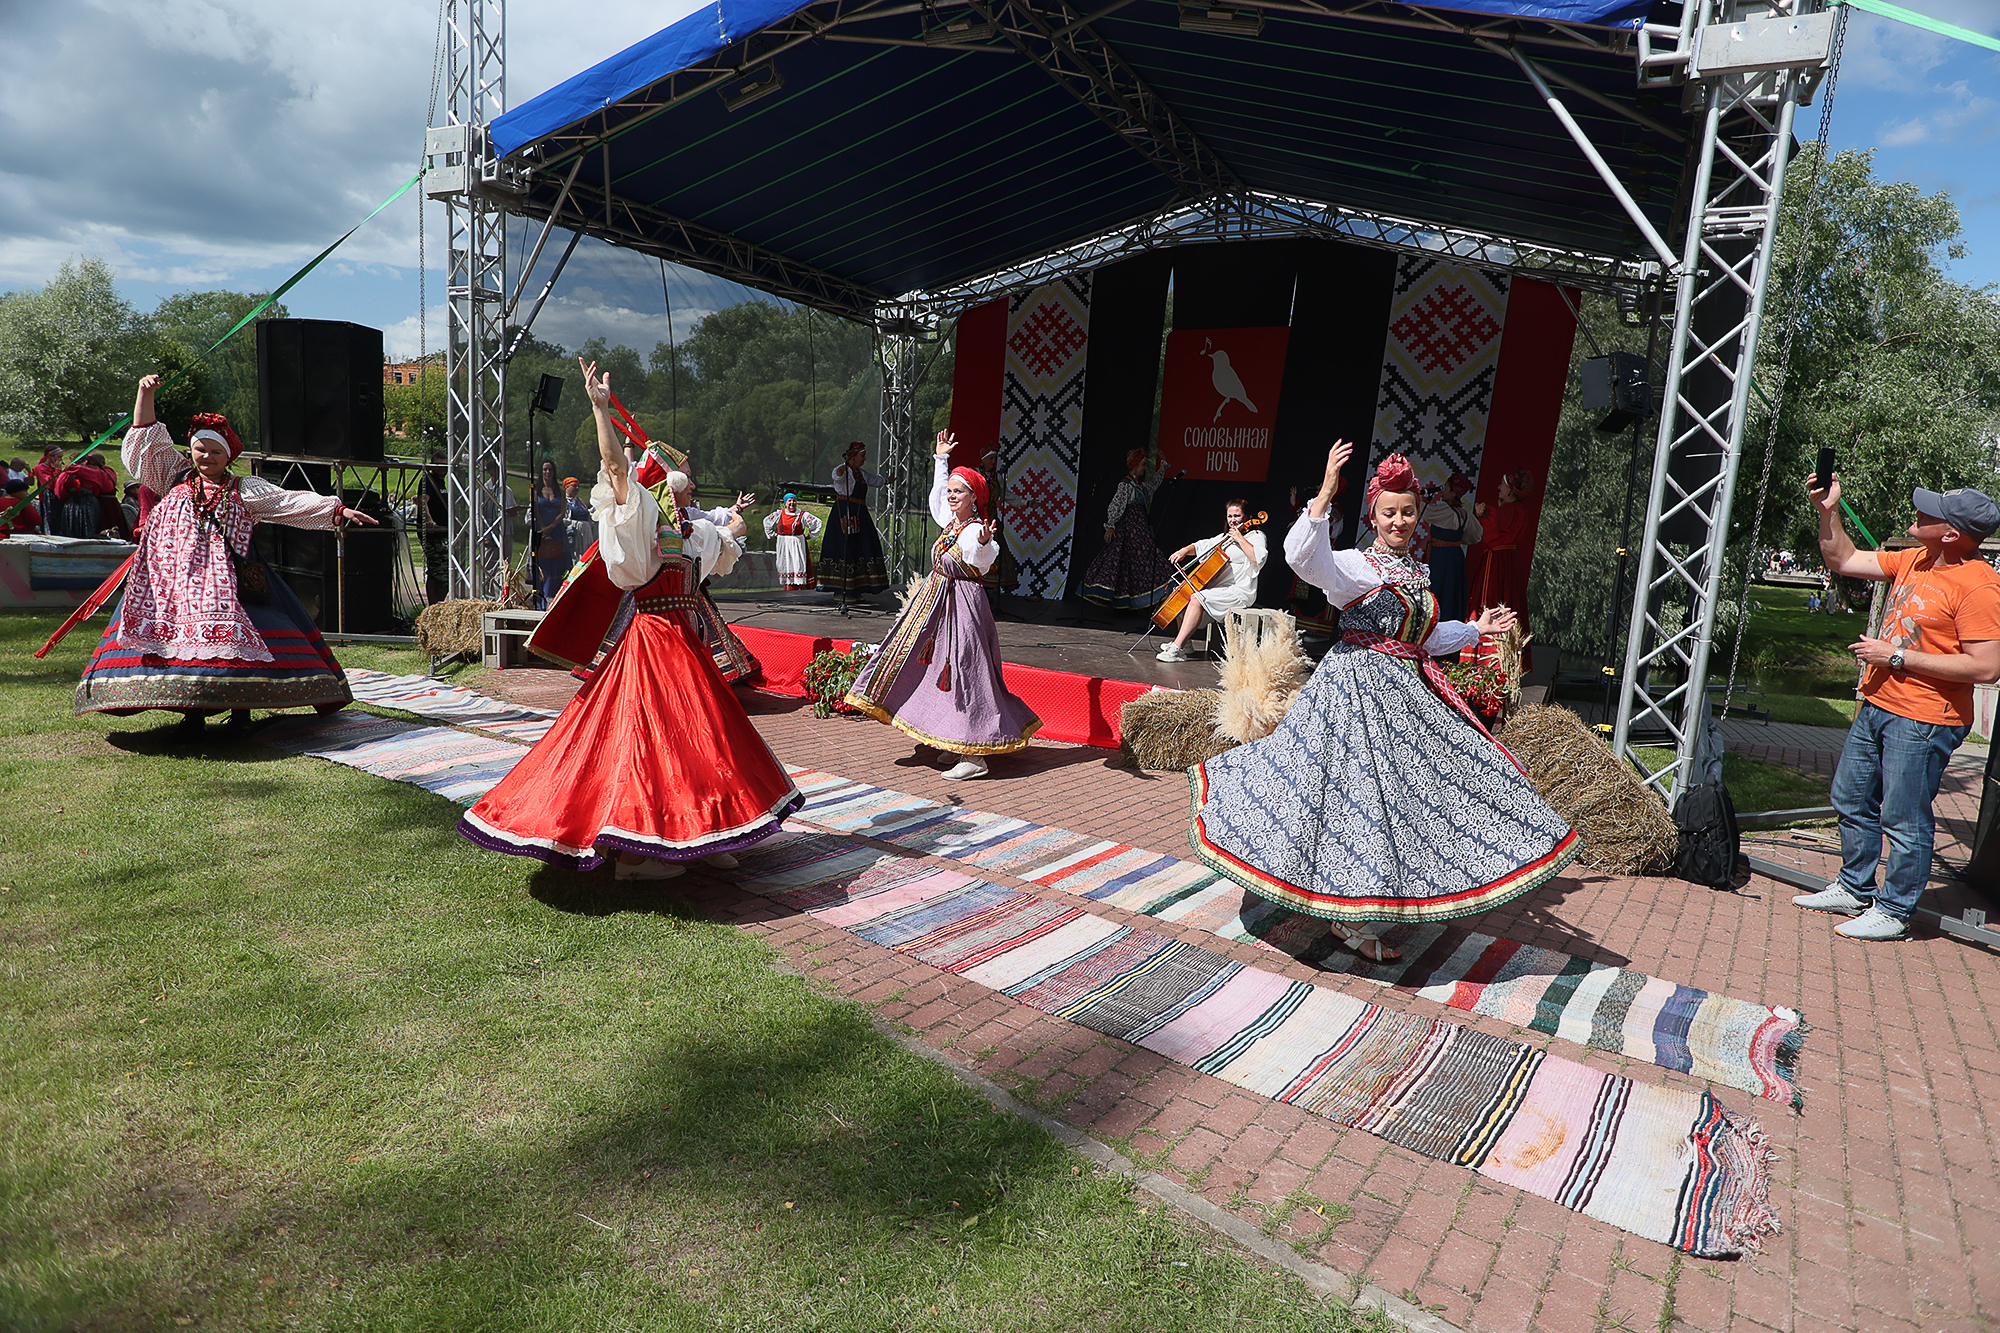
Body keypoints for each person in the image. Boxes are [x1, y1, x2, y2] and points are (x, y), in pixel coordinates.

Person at [1188, 444, 1581, 962]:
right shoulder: (1354, 566)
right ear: (1372, 516)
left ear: (1418, 515)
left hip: (1404, 696)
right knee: (1356, 801)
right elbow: (1302, 558)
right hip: (1354, 695)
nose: (1399, 521)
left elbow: (1422, 638)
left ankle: (1368, 903)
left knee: (1421, 793)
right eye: (1389, 512)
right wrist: (1326, 492)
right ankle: (1352, 919)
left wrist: (1474, 629)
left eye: (1408, 511)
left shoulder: (1416, 570)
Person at [460, 358, 802, 879]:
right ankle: (636, 854)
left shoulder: (691, 533)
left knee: (701, 738)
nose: (691, 489)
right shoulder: (640, 523)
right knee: (649, 741)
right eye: (684, 484)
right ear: (665, 487)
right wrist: (601, 410)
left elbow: (721, 540)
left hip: (685, 643)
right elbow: (617, 471)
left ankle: (707, 830)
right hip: (652, 643)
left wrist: (734, 523)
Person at [74, 375, 374, 730]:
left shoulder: (243, 489)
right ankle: (192, 713)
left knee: (233, 645)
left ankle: (241, 712)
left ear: (228, 456)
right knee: (179, 648)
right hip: (175, 583)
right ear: (191, 451)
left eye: (216, 452)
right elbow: (147, 437)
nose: (207, 457)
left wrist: (338, 510)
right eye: (201, 450)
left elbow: (287, 502)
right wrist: (145, 394)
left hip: (227, 582)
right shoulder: (173, 476)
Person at [1791, 475, 2000, 941]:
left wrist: (1898, 657)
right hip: (1879, 704)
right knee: (1850, 798)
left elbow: (1987, 668)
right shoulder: (1916, 558)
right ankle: (1854, 888)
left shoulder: (1980, 587)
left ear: (1952, 533)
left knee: (1904, 818)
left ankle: (1894, 911)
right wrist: (1828, 510)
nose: (1919, 513)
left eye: (1931, 513)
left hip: (1925, 719)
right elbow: (1843, 559)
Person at [842, 430, 1040, 780]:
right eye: (951, 490)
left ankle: (975, 756)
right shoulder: (951, 523)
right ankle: (952, 736)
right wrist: (941, 459)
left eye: (958, 491)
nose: (951, 495)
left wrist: (984, 543)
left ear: (974, 497)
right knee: (937, 669)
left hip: (963, 606)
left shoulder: (974, 530)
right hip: (937, 604)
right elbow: (936, 497)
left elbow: (981, 561)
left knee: (965, 670)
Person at [1156, 498, 1267, 662]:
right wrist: (1184, 550)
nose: (1233, 520)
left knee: (1197, 598)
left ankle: (1177, 648)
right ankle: (1186, 644)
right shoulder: (1225, 537)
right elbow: (1202, 545)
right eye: (1230, 516)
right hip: (1219, 590)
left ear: (1248, 516)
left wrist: (1240, 538)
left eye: (1237, 516)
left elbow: (1258, 558)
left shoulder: (1256, 536)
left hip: (1239, 591)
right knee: (1181, 594)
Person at [1080, 448, 1176, 610]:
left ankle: (1140, 598)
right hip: (1130, 530)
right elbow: (1115, 505)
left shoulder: (1140, 486)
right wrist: (1110, 526)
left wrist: (1163, 467)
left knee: (1141, 562)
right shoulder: (1125, 485)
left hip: (1140, 530)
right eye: (1143, 464)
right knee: (1125, 563)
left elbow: (1153, 485)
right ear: (1134, 465)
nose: (1145, 468)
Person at [821, 441, 890, 596]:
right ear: (853, 456)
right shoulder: (844, 470)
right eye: (862, 456)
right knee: (844, 547)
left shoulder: (861, 473)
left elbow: (874, 480)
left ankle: (857, 588)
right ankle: (841, 589)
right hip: (844, 512)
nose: (864, 459)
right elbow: (837, 477)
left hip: (859, 514)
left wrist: (886, 480)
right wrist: (840, 472)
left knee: (861, 547)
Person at [1468, 468, 1533, 620]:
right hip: (1510, 562)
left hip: (1496, 563)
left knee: (1492, 599)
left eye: (1502, 484)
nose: (1499, 487)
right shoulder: (1520, 510)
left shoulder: (1509, 509)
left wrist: (1484, 513)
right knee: (1508, 596)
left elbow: (1496, 523)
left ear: (1510, 489)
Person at [1421, 472, 1482, 624]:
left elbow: (1425, 512)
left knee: (1438, 588)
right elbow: (1475, 536)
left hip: (1441, 558)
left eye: (1446, 488)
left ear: (1454, 493)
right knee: (1450, 591)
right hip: (1455, 557)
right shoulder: (1465, 515)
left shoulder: (1446, 512)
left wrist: (1412, 497)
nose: (1442, 491)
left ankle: (1433, 623)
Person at [763, 493, 823, 590]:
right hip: (783, 543)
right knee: (785, 563)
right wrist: (774, 534)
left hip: (797, 543)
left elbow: (818, 523)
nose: (792, 503)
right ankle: (787, 588)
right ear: (785, 503)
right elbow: (767, 522)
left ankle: (800, 588)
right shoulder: (779, 514)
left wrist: (810, 535)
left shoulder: (802, 515)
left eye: (794, 500)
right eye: (789, 501)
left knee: (797, 563)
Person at [531, 476, 570, 606]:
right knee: (542, 565)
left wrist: (551, 527)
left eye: (550, 470)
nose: (548, 472)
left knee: (557, 565)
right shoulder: (536, 491)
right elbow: (535, 510)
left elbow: (562, 512)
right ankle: (541, 598)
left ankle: (554, 597)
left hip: (556, 530)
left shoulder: (559, 491)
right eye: (545, 470)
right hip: (541, 529)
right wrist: (543, 529)